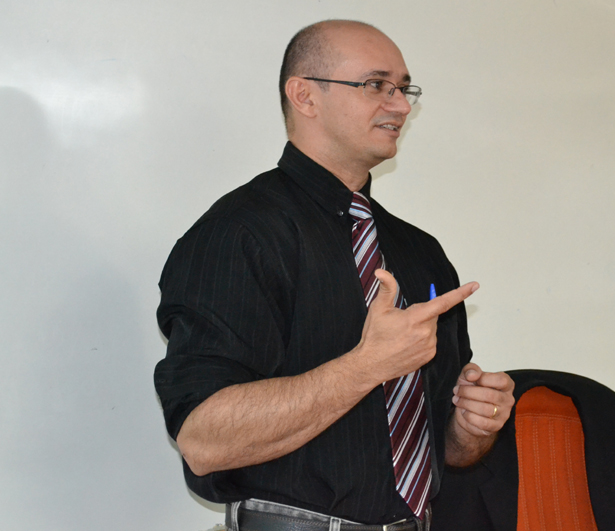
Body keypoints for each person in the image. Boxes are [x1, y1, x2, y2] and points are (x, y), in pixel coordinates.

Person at [154, 20, 515, 531]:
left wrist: (472, 425)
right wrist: (366, 366)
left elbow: (446, 450)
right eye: (376, 85)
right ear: (305, 96)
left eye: (404, 88)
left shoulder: (420, 251)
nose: (401, 106)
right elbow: (203, 440)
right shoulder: (240, 233)